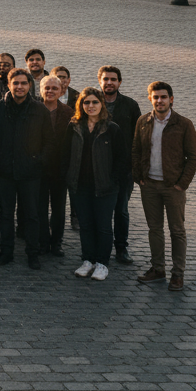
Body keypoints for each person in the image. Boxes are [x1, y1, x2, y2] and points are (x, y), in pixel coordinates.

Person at [133, 81, 196, 292]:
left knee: (177, 231)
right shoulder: (143, 121)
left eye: (163, 97)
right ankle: (158, 269)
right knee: (154, 229)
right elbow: (135, 151)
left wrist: (182, 184)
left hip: (173, 187)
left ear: (171, 99)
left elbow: (194, 157)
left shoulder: (184, 124)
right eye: (155, 97)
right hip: (149, 185)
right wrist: (139, 177)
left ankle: (178, 274)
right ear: (150, 99)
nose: (159, 101)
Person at [0, 67, 54, 269]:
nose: (19, 86)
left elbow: (49, 141)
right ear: (8, 85)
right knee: (6, 215)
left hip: (30, 172)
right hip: (5, 172)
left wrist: (39, 160)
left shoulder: (39, 109)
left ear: (30, 85)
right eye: (15, 83)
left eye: (23, 83)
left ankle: (32, 254)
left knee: (32, 216)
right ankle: (6, 252)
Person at [62, 87, 126, 282]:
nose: (91, 106)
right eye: (86, 102)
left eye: (95, 102)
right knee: (86, 225)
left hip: (105, 187)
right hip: (80, 186)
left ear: (102, 104)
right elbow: (65, 154)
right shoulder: (74, 126)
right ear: (81, 105)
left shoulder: (111, 128)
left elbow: (122, 159)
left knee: (104, 226)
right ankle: (87, 260)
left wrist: (113, 179)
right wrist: (69, 176)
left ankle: (102, 264)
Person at [97, 65, 142, 265]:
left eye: (113, 79)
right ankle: (99, 245)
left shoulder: (130, 105)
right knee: (99, 209)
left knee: (121, 210)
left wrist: (134, 165)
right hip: (98, 167)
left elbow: (138, 137)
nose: (109, 82)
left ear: (119, 82)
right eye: (106, 79)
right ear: (100, 81)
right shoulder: (91, 102)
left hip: (124, 168)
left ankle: (121, 248)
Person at [38, 74, 73, 257]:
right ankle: (43, 241)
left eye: (54, 88)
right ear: (40, 89)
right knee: (40, 208)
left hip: (60, 169)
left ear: (61, 91)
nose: (50, 91)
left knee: (58, 209)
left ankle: (56, 242)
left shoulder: (69, 113)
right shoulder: (34, 110)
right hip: (39, 168)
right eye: (47, 88)